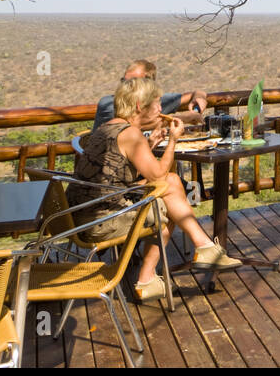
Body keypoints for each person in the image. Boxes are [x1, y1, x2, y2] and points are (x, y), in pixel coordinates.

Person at [70, 77, 241, 301]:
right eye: (157, 103)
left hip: (78, 215)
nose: (161, 109)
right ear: (140, 106)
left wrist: (149, 145)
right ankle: (155, 273)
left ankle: (198, 251)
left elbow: (121, 168)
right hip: (100, 222)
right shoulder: (131, 134)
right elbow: (157, 175)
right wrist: (172, 140)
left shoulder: (107, 128)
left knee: (170, 185)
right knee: (167, 197)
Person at [93, 59, 208, 131]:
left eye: (132, 82)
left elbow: (195, 93)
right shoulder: (110, 104)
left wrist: (200, 97)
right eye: (124, 81)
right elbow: (135, 125)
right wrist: (183, 118)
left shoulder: (154, 102)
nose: (125, 86)